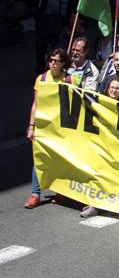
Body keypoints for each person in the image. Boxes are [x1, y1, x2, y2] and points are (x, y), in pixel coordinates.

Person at [26, 48, 76, 208]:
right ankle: (35, 193)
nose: (53, 63)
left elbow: (74, 105)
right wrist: (31, 126)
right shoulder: (41, 79)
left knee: (60, 159)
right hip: (43, 127)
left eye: (56, 61)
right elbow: (36, 104)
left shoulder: (69, 80)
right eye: (51, 60)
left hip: (61, 127)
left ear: (63, 64)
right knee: (39, 159)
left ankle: (60, 191)